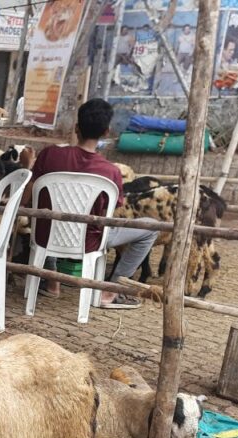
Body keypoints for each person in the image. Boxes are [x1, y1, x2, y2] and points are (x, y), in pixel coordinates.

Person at [27, 98, 159, 309]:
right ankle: (110, 291)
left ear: (76, 127)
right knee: (150, 228)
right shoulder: (111, 171)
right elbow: (111, 211)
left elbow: (31, 194)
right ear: (106, 132)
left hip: (44, 234)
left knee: (48, 218)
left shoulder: (49, 154)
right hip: (89, 241)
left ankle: (52, 283)